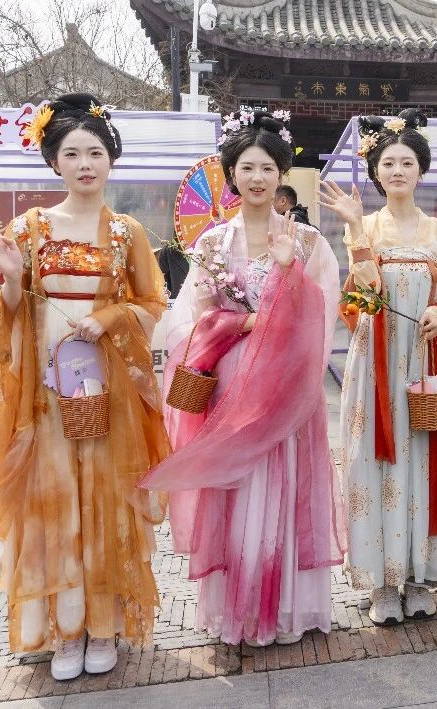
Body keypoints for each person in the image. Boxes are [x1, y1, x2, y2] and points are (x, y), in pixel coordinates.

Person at [0, 94, 170, 680]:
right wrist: (10, 279)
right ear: (54, 161)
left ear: (111, 161)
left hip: (107, 384)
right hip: (45, 384)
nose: (85, 164)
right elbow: (10, 313)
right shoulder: (29, 228)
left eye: (96, 153)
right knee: (52, 498)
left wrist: (106, 318)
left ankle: (102, 626)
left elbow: (152, 303)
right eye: (73, 153)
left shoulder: (128, 232)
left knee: (105, 494)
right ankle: (64, 629)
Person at [141, 110, 343, 648]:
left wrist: (289, 277)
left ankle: (285, 607)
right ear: (231, 174)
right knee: (236, 486)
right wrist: (242, 323)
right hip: (231, 382)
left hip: (287, 384)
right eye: (247, 167)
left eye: (268, 168)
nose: (257, 178)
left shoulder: (307, 243)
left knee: (285, 485)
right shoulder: (211, 244)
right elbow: (189, 319)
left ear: (282, 175)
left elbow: (324, 316)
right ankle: (240, 606)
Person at [319, 109, 437, 625]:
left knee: (424, 456)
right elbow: (362, 293)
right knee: (375, 460)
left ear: (421, 170)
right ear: (376, 172)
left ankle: (422, 575)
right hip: (376, 362)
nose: (398, 170)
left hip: (425, 358)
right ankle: (382, 581)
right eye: (388, 163)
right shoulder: (365, 227)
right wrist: (354, 227)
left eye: (406, 162)